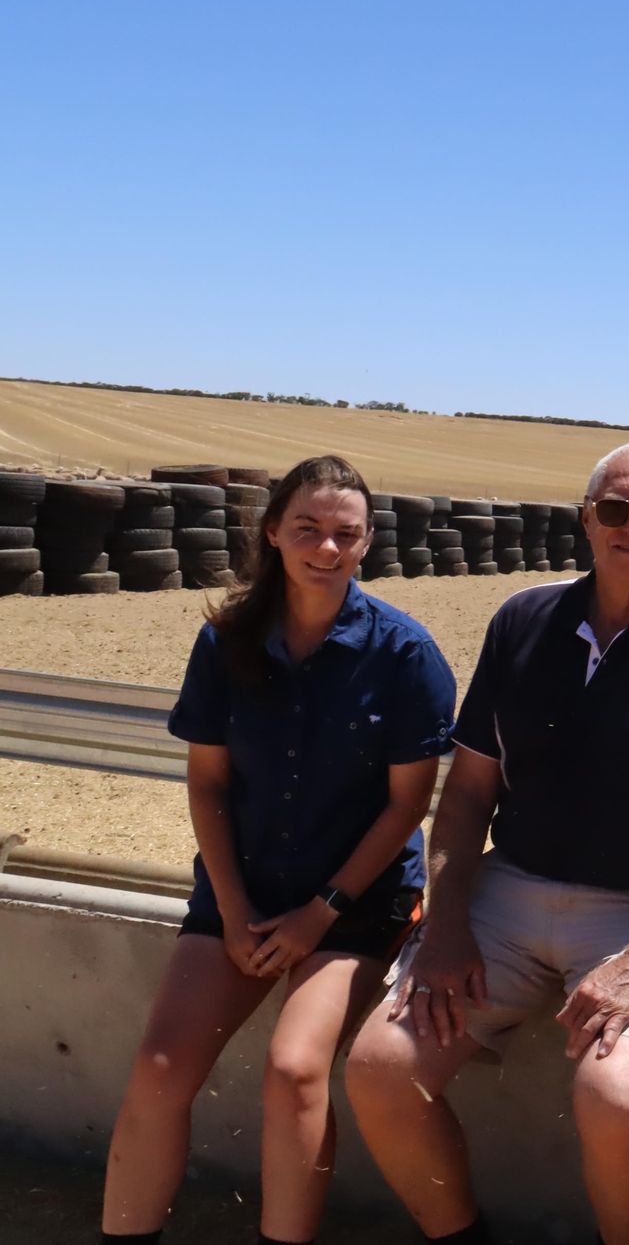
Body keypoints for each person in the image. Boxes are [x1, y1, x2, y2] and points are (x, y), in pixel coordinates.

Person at [345, 442, 629, 1245]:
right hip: (504, 894)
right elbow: (467, 793)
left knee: (613, 1096)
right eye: (614, 508)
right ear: (586, 520)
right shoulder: (524, 620)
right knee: (380, 1071)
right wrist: (447, 921)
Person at [101, 455, 457, 1245]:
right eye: (308, 529)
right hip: (245, 889)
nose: (326, 548)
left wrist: (317, 913)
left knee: (296, 1070)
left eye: (345, 534)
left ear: (366, 544)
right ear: (273, 531)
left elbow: (407, 806)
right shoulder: (227, 640)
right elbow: (207, 785)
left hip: (357, 903)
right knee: (160, 1071)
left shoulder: (405, 655)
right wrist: (232, 911)